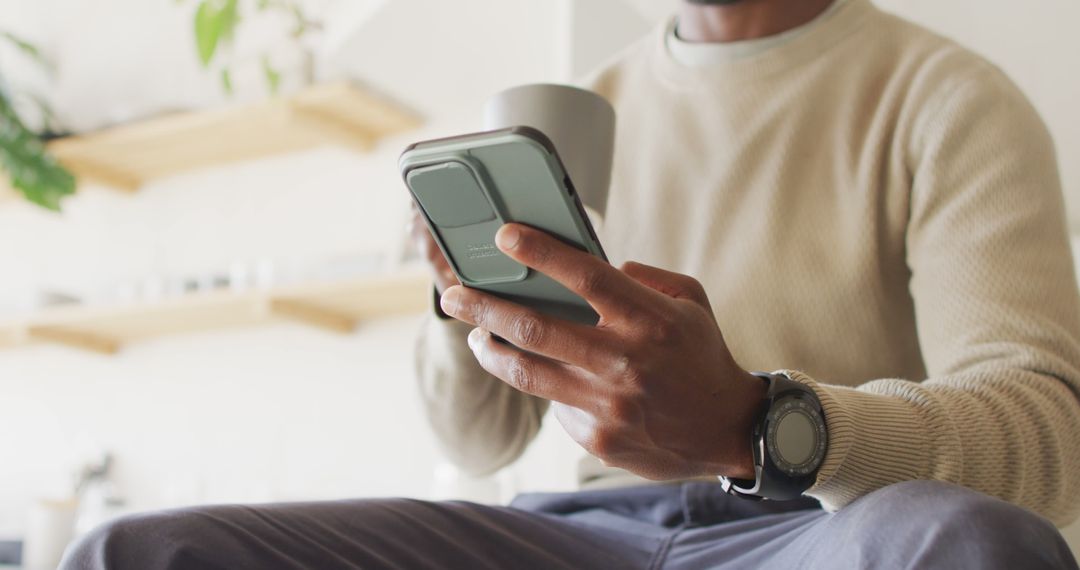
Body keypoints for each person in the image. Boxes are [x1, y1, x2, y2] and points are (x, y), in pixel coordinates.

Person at [62, 0, 1080, 568]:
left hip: (807, 537)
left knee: (969, 547)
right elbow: (479, 440)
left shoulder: (942, 99)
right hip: (569, 533)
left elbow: (1048, 433)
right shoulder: (581, 109)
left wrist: (758, 426)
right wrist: (455, 289)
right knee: (141, 554)